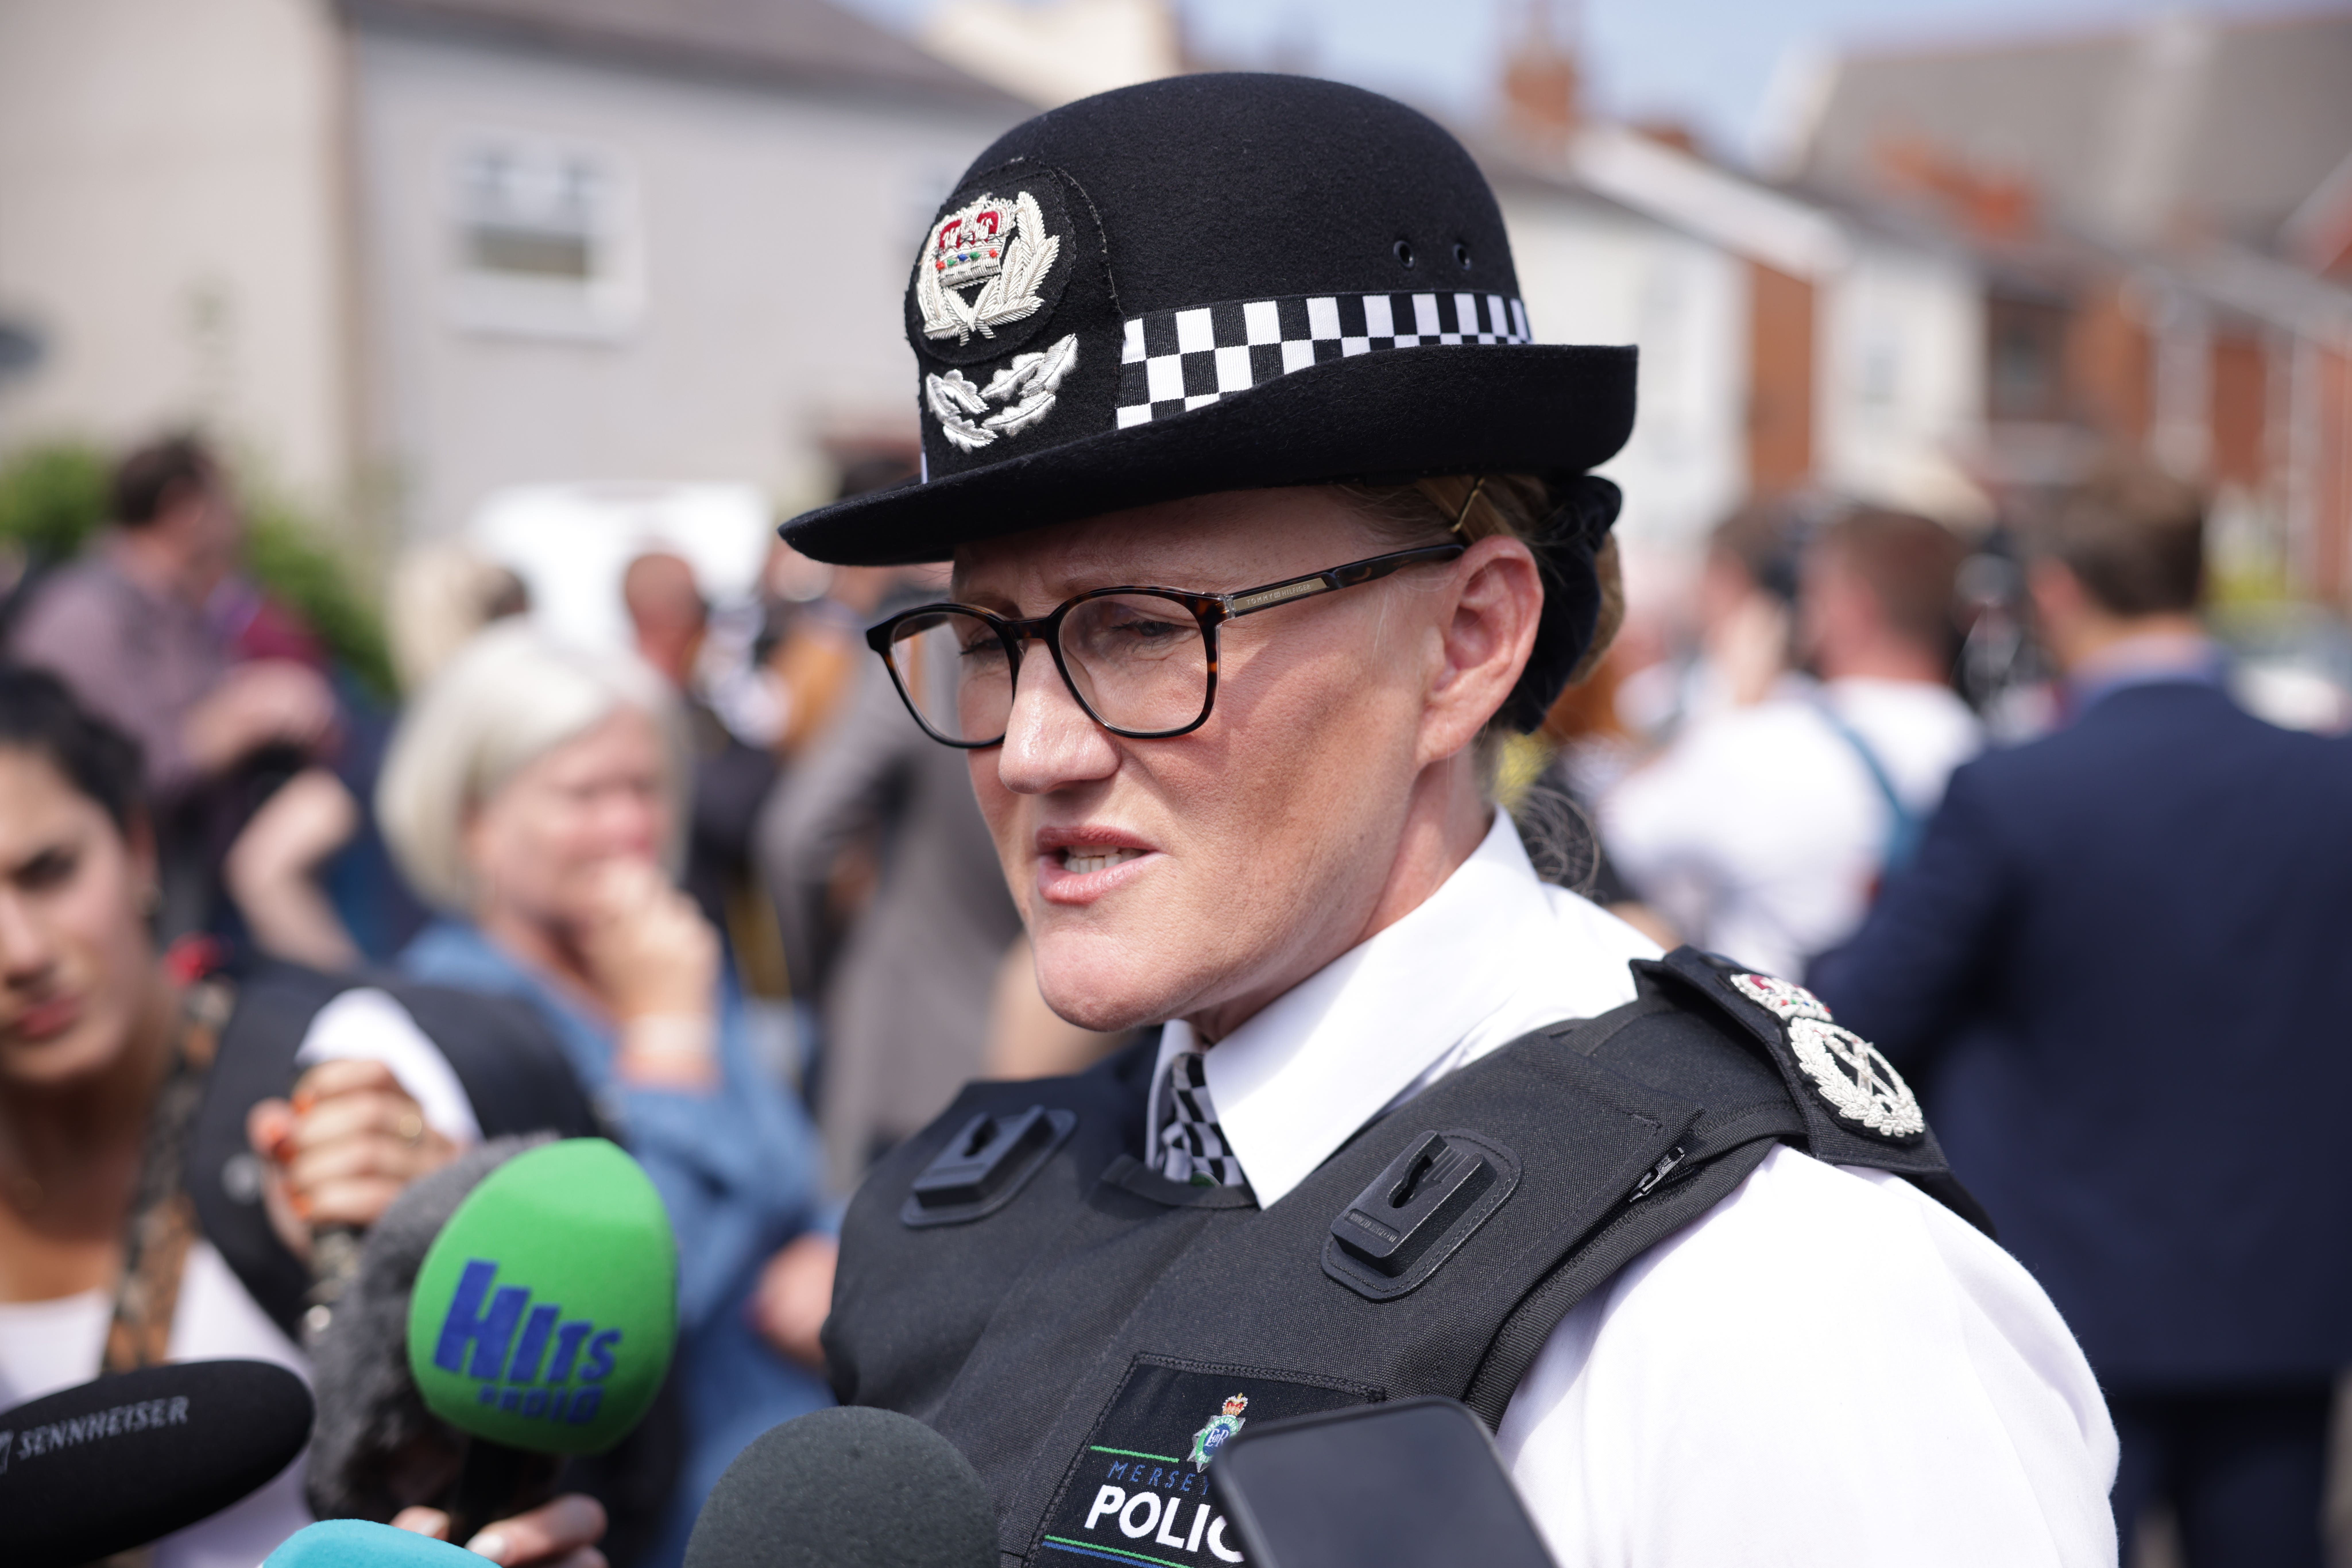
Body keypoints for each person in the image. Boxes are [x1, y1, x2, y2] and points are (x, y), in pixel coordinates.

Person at [779, 74, 2114, 1568]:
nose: (1032, 747)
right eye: (985, 638)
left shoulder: (1770, 1292)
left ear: (1469, 641)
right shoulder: (978, 1210)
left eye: (1143, 629)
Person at [1809, 460, 2352, 1567]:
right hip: (2284, 1292)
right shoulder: (2326, 782)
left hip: (2070, 1300)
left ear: (2055, 591)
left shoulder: (2014, 794)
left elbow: (1864, 1023)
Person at [0, 666, 602, 1568]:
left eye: (49, 871)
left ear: (137, 845)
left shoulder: (350, 1074)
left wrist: (436, 1274)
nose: (23, 950)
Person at [373, 622, 836, 1567]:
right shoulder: (450, 1024)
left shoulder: (668, 953)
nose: (629, 826)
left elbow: (790, 1173)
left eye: (647, 787)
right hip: (647, 1525)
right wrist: (664, 1042)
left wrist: (844, 1261)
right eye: (584, 794)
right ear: (474, 820)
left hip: (799, 1473)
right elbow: (615, 1317)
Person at [1602, 505, 1980, 977]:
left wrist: (1730, 700)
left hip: (1774, 1042)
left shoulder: (1760, 747)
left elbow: (1614, 829)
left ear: (1851, 607)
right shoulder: (1995, 748)